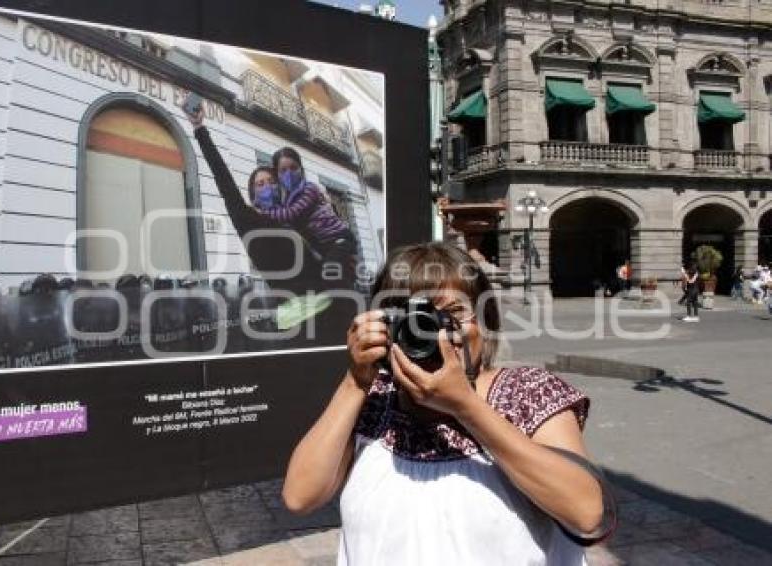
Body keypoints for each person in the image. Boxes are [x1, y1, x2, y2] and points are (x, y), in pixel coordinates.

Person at [283, 242, 616, 565]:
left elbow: (587, 513)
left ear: (485, 322)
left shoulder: (527, 391)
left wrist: (466, 407)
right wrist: (355, 381)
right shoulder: (375, 397)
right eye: (416, 317)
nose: (437, 330)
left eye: (455, 312)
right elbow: (300, 497)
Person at [186, 106, 331, 296]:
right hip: (299, 312)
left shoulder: (293, 218)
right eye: (260, 184)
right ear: (253, 194)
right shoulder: (247, 219)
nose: (267, 187)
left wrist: (326, 206)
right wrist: (199, 128)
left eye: (271, 182)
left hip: (330, 300)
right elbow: (222, 176)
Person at [270, 146, 358, 290]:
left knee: (329, 273)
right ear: (277, 174)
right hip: (323, 245)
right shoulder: (285, 198)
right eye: (283, 170)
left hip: (339, 239)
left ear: (301, 169)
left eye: (293, 168)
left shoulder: (309, 189)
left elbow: (292, 214)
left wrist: (263, 213)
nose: (289, 173)